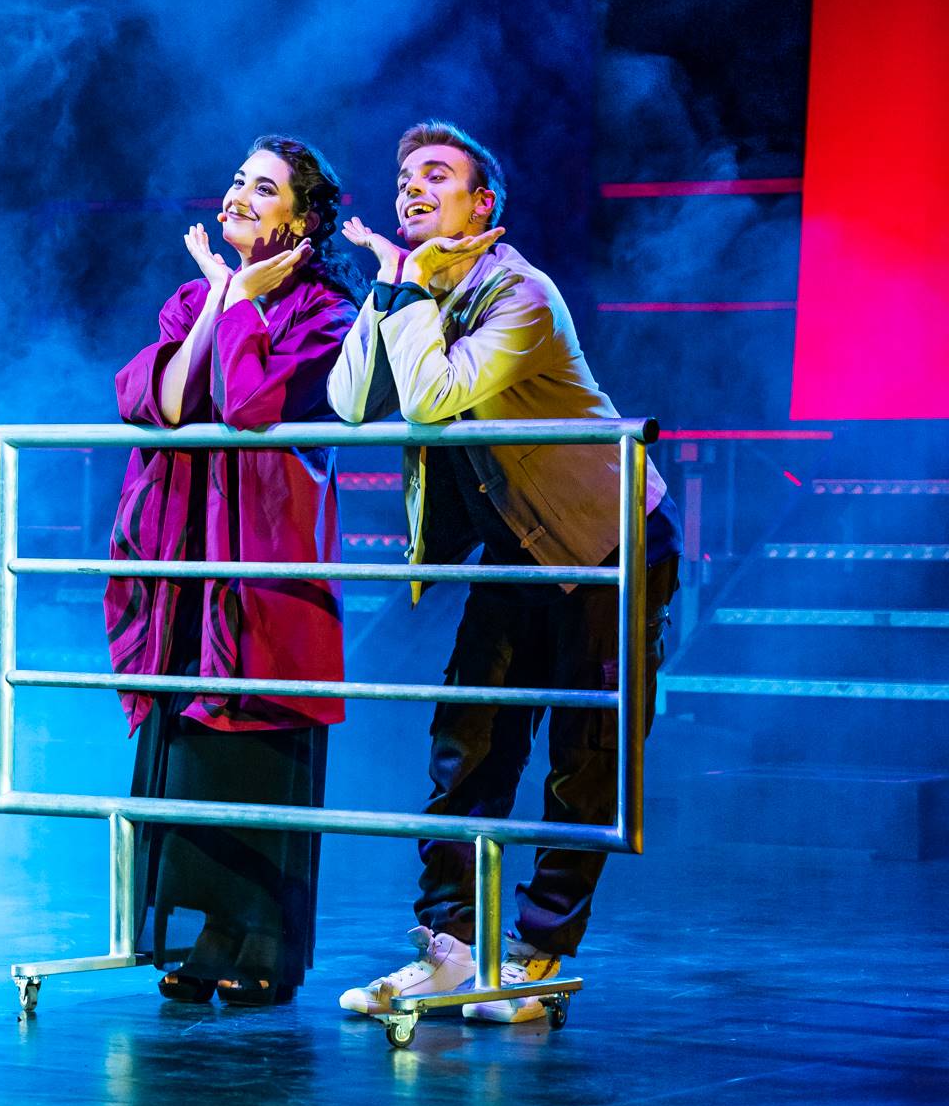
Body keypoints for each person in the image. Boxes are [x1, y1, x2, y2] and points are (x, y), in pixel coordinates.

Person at [327, 120, 681, 1023]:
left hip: (607, 540)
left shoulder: (519, 292)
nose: (411, 187)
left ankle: (539, 954)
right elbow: (350, 401)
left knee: (588, 754)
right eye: (404, 176)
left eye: (435, 174)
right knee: (469, 740)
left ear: (482, 205)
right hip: (520, 547)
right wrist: (387, 288)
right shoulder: (417, 290)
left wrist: (407, 292)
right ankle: (450, 946)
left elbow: (433, 397)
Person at [108, 134, 362, 1007]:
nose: (240, 196)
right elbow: (164, 400)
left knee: (254, 744)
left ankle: (258, 942)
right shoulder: (198, 296)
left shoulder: (328, 314)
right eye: (237, 181)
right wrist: (223, 295)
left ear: (305, 217)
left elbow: (252, 403)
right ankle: (209, 930)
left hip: (264, 567)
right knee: (190, 749)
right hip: (186, 564)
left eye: (265, 188)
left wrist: (245, 305)